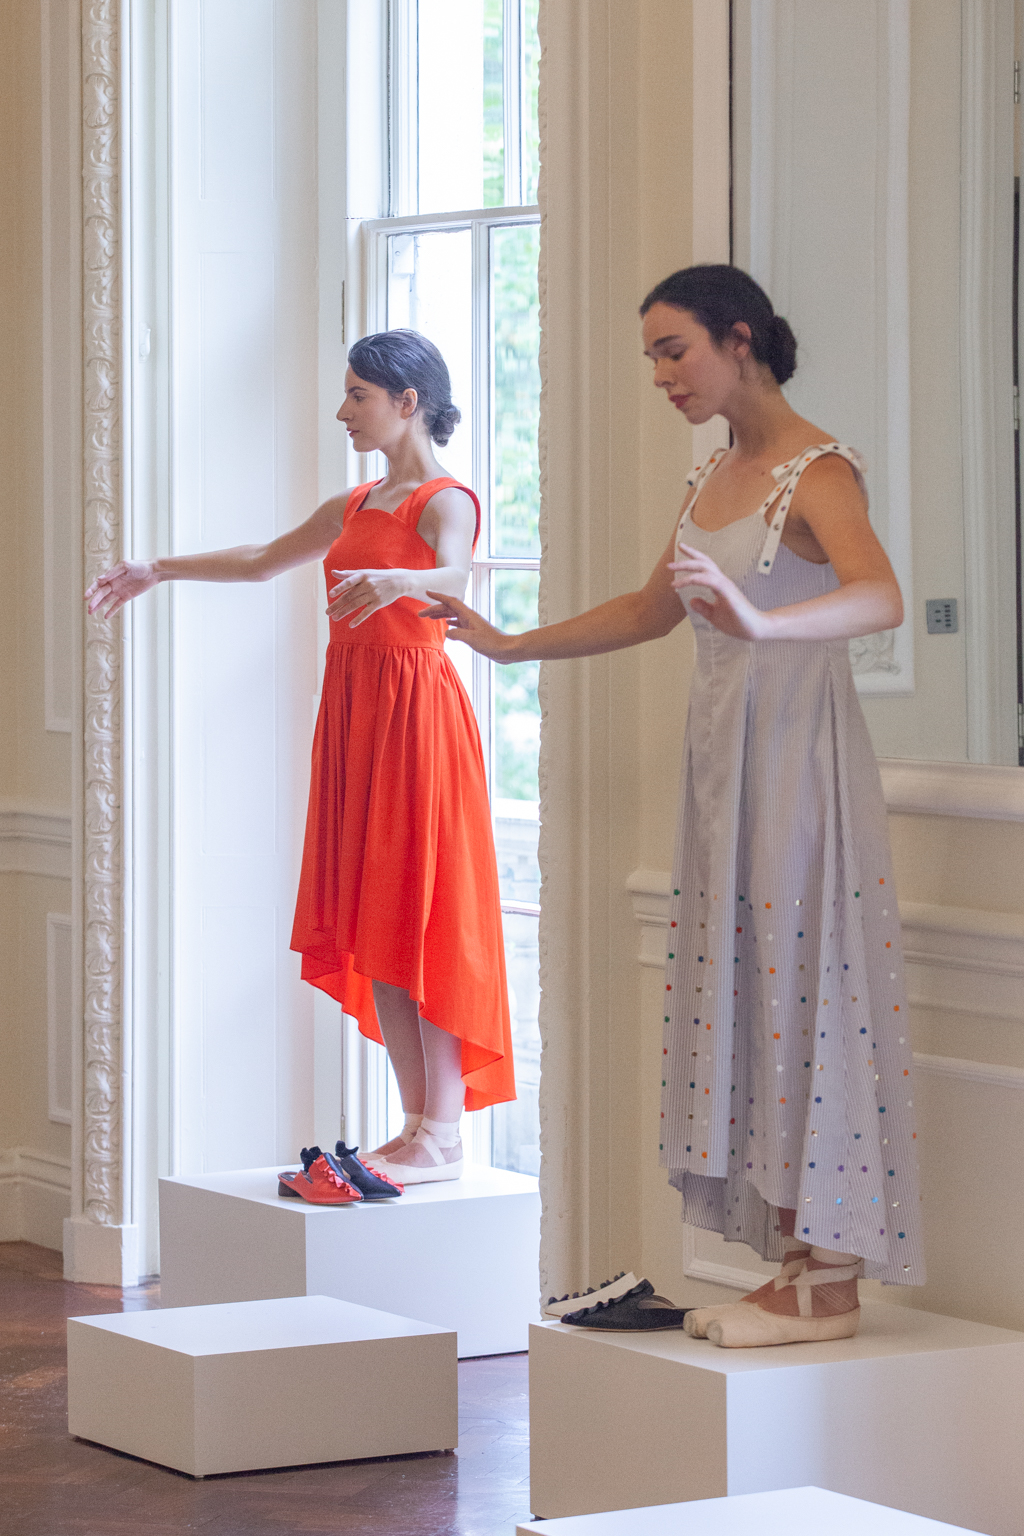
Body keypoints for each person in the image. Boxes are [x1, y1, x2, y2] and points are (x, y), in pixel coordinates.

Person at [422, 265, 924, 1343]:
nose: (660, 375)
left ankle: (830, 1275)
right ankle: (798, 1261)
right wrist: (509, 645)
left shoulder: (817, 469)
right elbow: (652, 609)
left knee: (799, 990)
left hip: (797, 769)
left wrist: (763, 622)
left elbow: (879, 593)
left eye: (672, 349)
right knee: (751, 994)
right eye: (652, 355)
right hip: (722, 775)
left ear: (738, 339)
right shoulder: (713, 475)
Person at [85, 328, 515, 1185]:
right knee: (374, 914)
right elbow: (260, 562)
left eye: (358, 395)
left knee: (421, 909)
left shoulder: (446, 499)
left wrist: (400, 583)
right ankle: (418, 1125)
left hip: (416, 718)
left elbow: (456, 579)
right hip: (357, 715)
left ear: (408, 402)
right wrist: (155, 568)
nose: (342, 411)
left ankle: (445, 1132)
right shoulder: (354, 505)